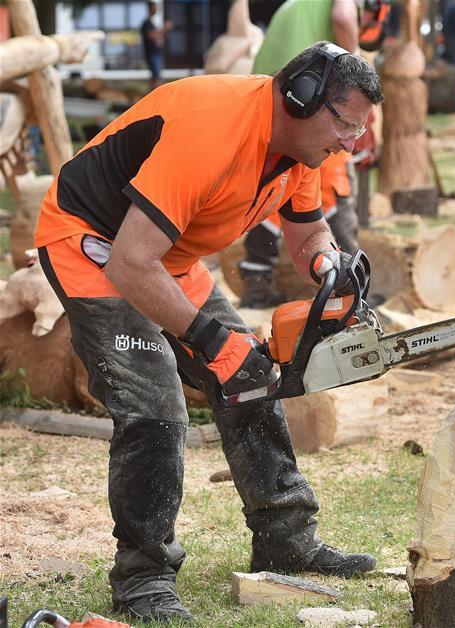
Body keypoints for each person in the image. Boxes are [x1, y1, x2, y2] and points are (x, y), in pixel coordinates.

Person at [34, 42, 383, 622]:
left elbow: (307, 232)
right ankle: (142, 577)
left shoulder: (301, 152)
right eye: (345, 124)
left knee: (250, 373)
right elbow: (128, 263)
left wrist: (328, 265)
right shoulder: (213, 129)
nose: (351, 142)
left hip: (163, 254)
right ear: (300, 99)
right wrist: (213, 341)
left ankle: (285, 537)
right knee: (155, 404)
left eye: (358, 129)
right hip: (93, 244)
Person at [241, 0, 362, 308]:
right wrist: (359, 68)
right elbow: (344, 16)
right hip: (308, 107)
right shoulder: (340, 6)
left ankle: (256, 282)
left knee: (271, 189)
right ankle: (352, 288)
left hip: (266, 104)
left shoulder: (295, 7)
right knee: (336, 186)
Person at [140, 1, 172, 92]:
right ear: (150, 8)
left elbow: (159, 35)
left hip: (157, 52)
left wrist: (165, 31)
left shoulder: (154, 22)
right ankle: (156, 94)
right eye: (154, 7)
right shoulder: (147, 23)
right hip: (152, 53)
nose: (156, 10)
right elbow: (151, 36)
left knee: (156, 75)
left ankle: (154, 94)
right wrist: (164, 29)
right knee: (156, 76)